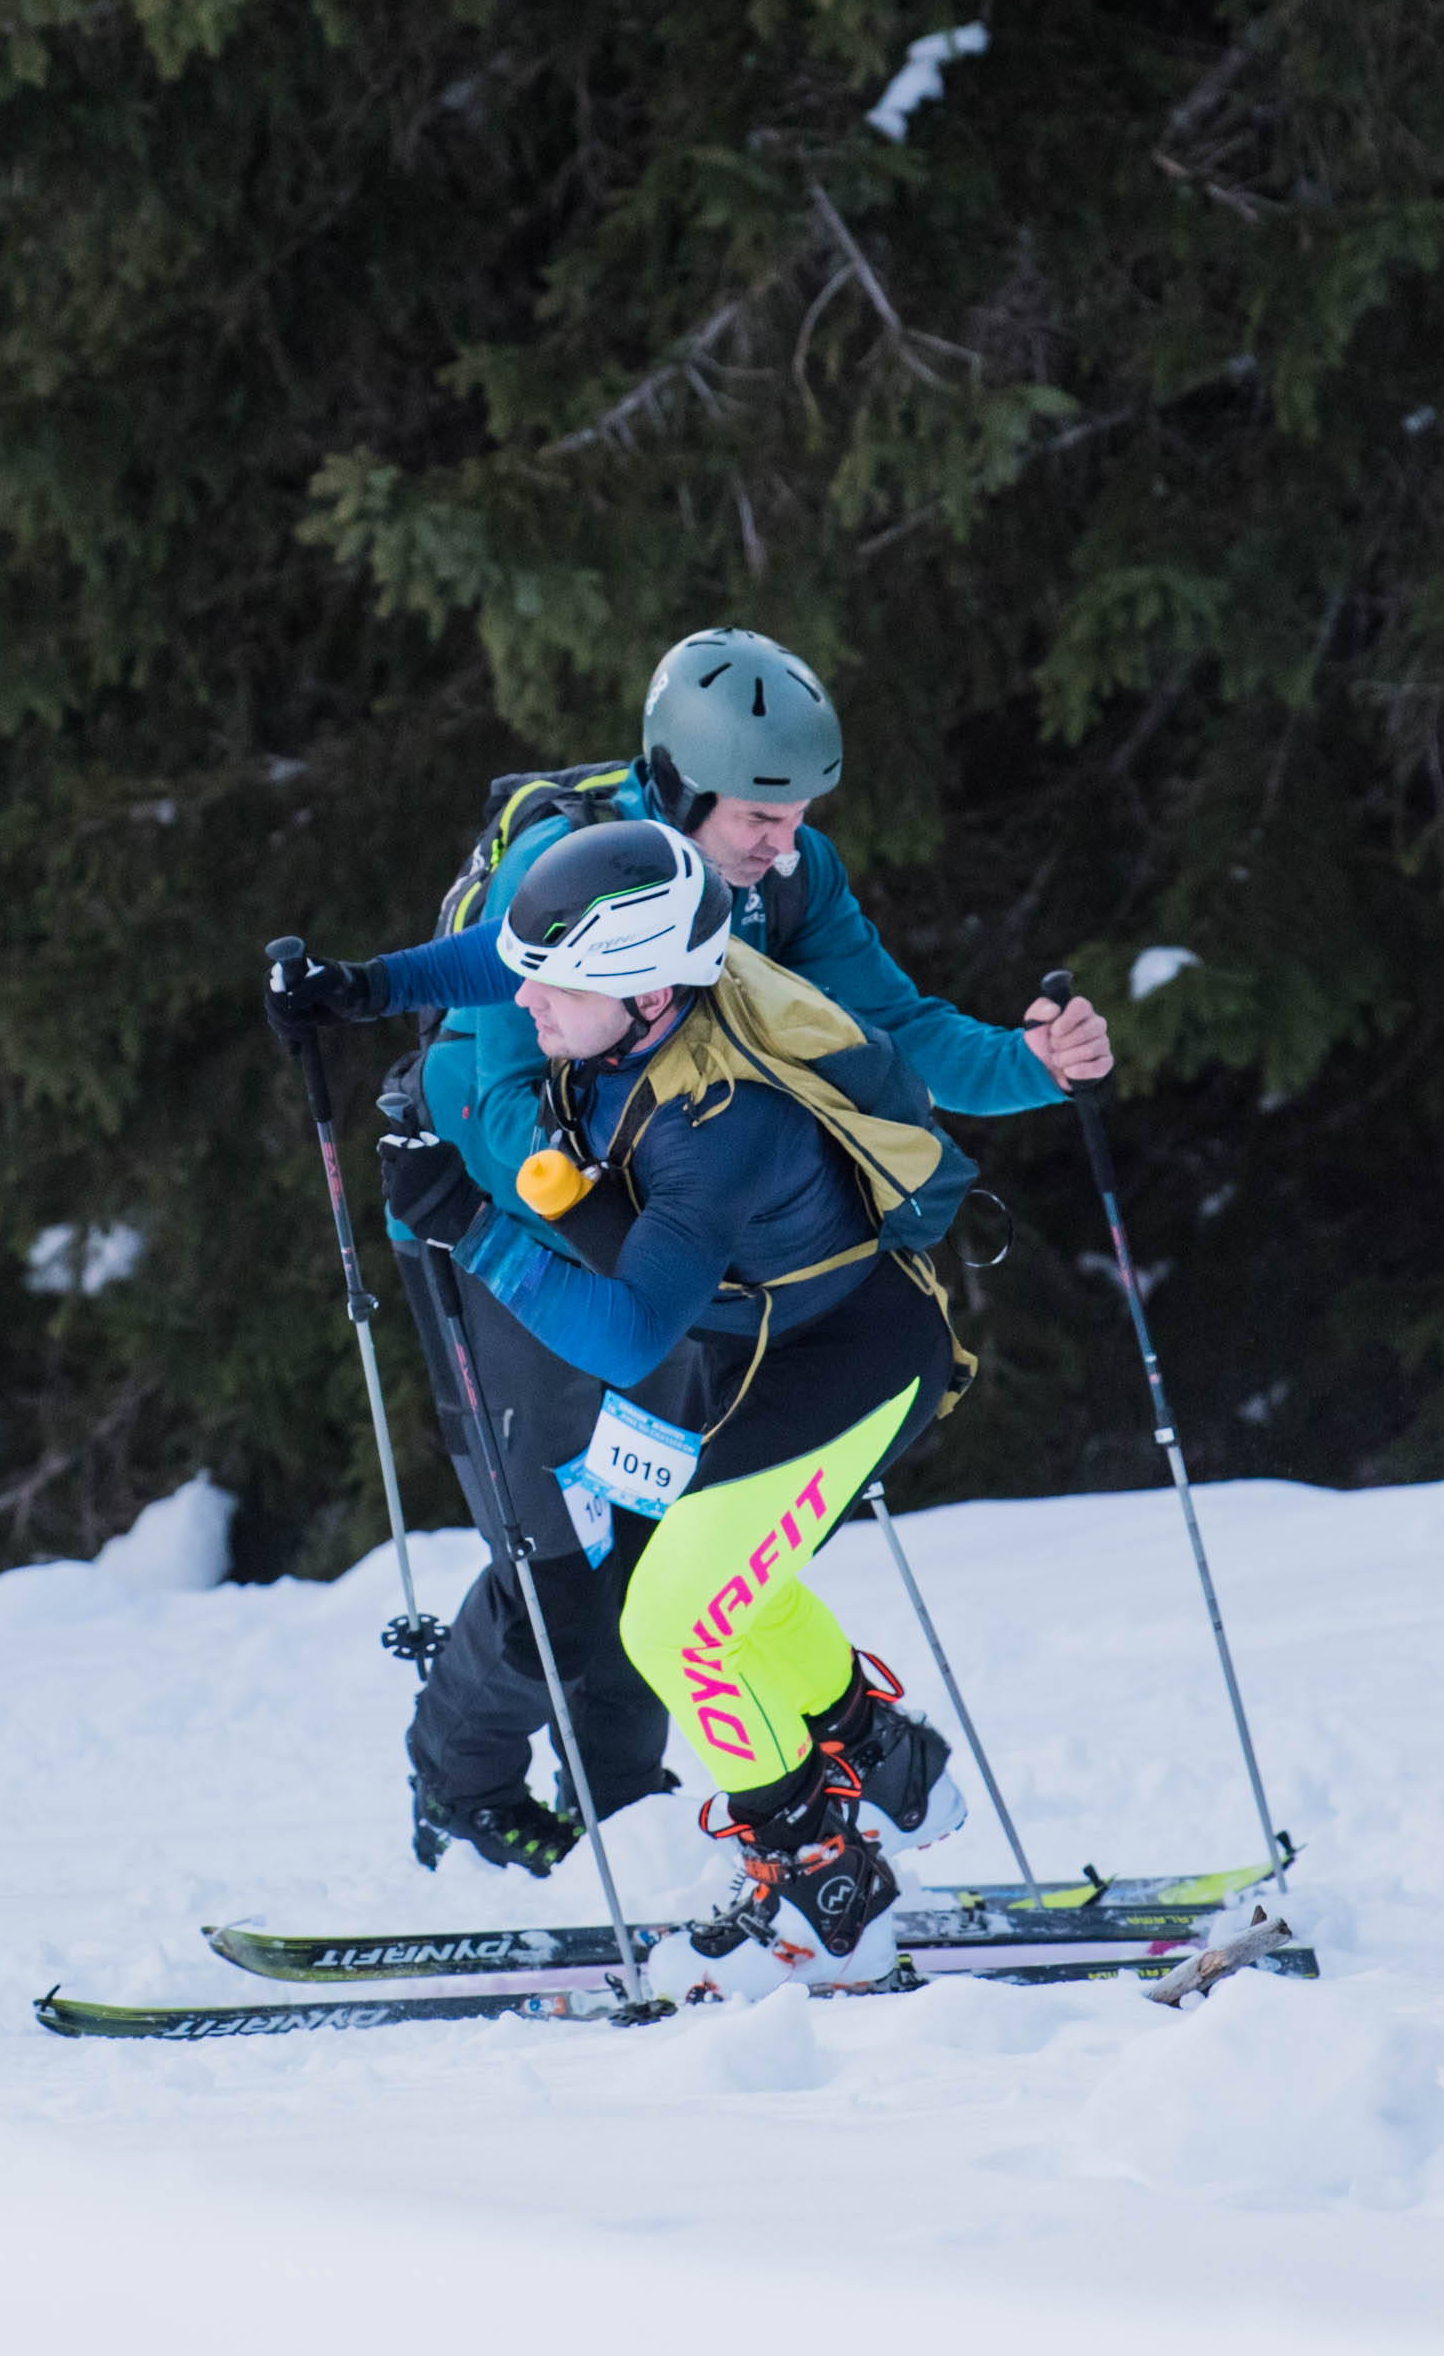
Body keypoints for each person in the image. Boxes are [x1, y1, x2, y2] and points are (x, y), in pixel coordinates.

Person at [359, 628, 1108, 1878]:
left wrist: (1033, 1064)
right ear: (676, 783)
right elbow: (497, 1110)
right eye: (762, 814)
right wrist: (602, 1234)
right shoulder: (559, 872)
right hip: (499, 1227)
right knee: (565, 1564)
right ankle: (468, 1791)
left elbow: (888, 1026)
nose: (787, 839)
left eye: (803, 812)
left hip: (668, 1250)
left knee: (661, 1539)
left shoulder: (783, 881)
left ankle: (637, 1828)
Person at [271, 810, 1071, 1976]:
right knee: (734, 1589)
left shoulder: (716, 1122)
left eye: (555, 987)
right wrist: (361, 986)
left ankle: (816, 1875)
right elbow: (503, 957)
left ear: (644, 992)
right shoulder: (642, 995)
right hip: (776, 1347)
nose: (522, 1004)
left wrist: (471, 1226)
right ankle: (886, 1760)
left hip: (853, 1363)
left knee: (673, 1619)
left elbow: (629, 1329)